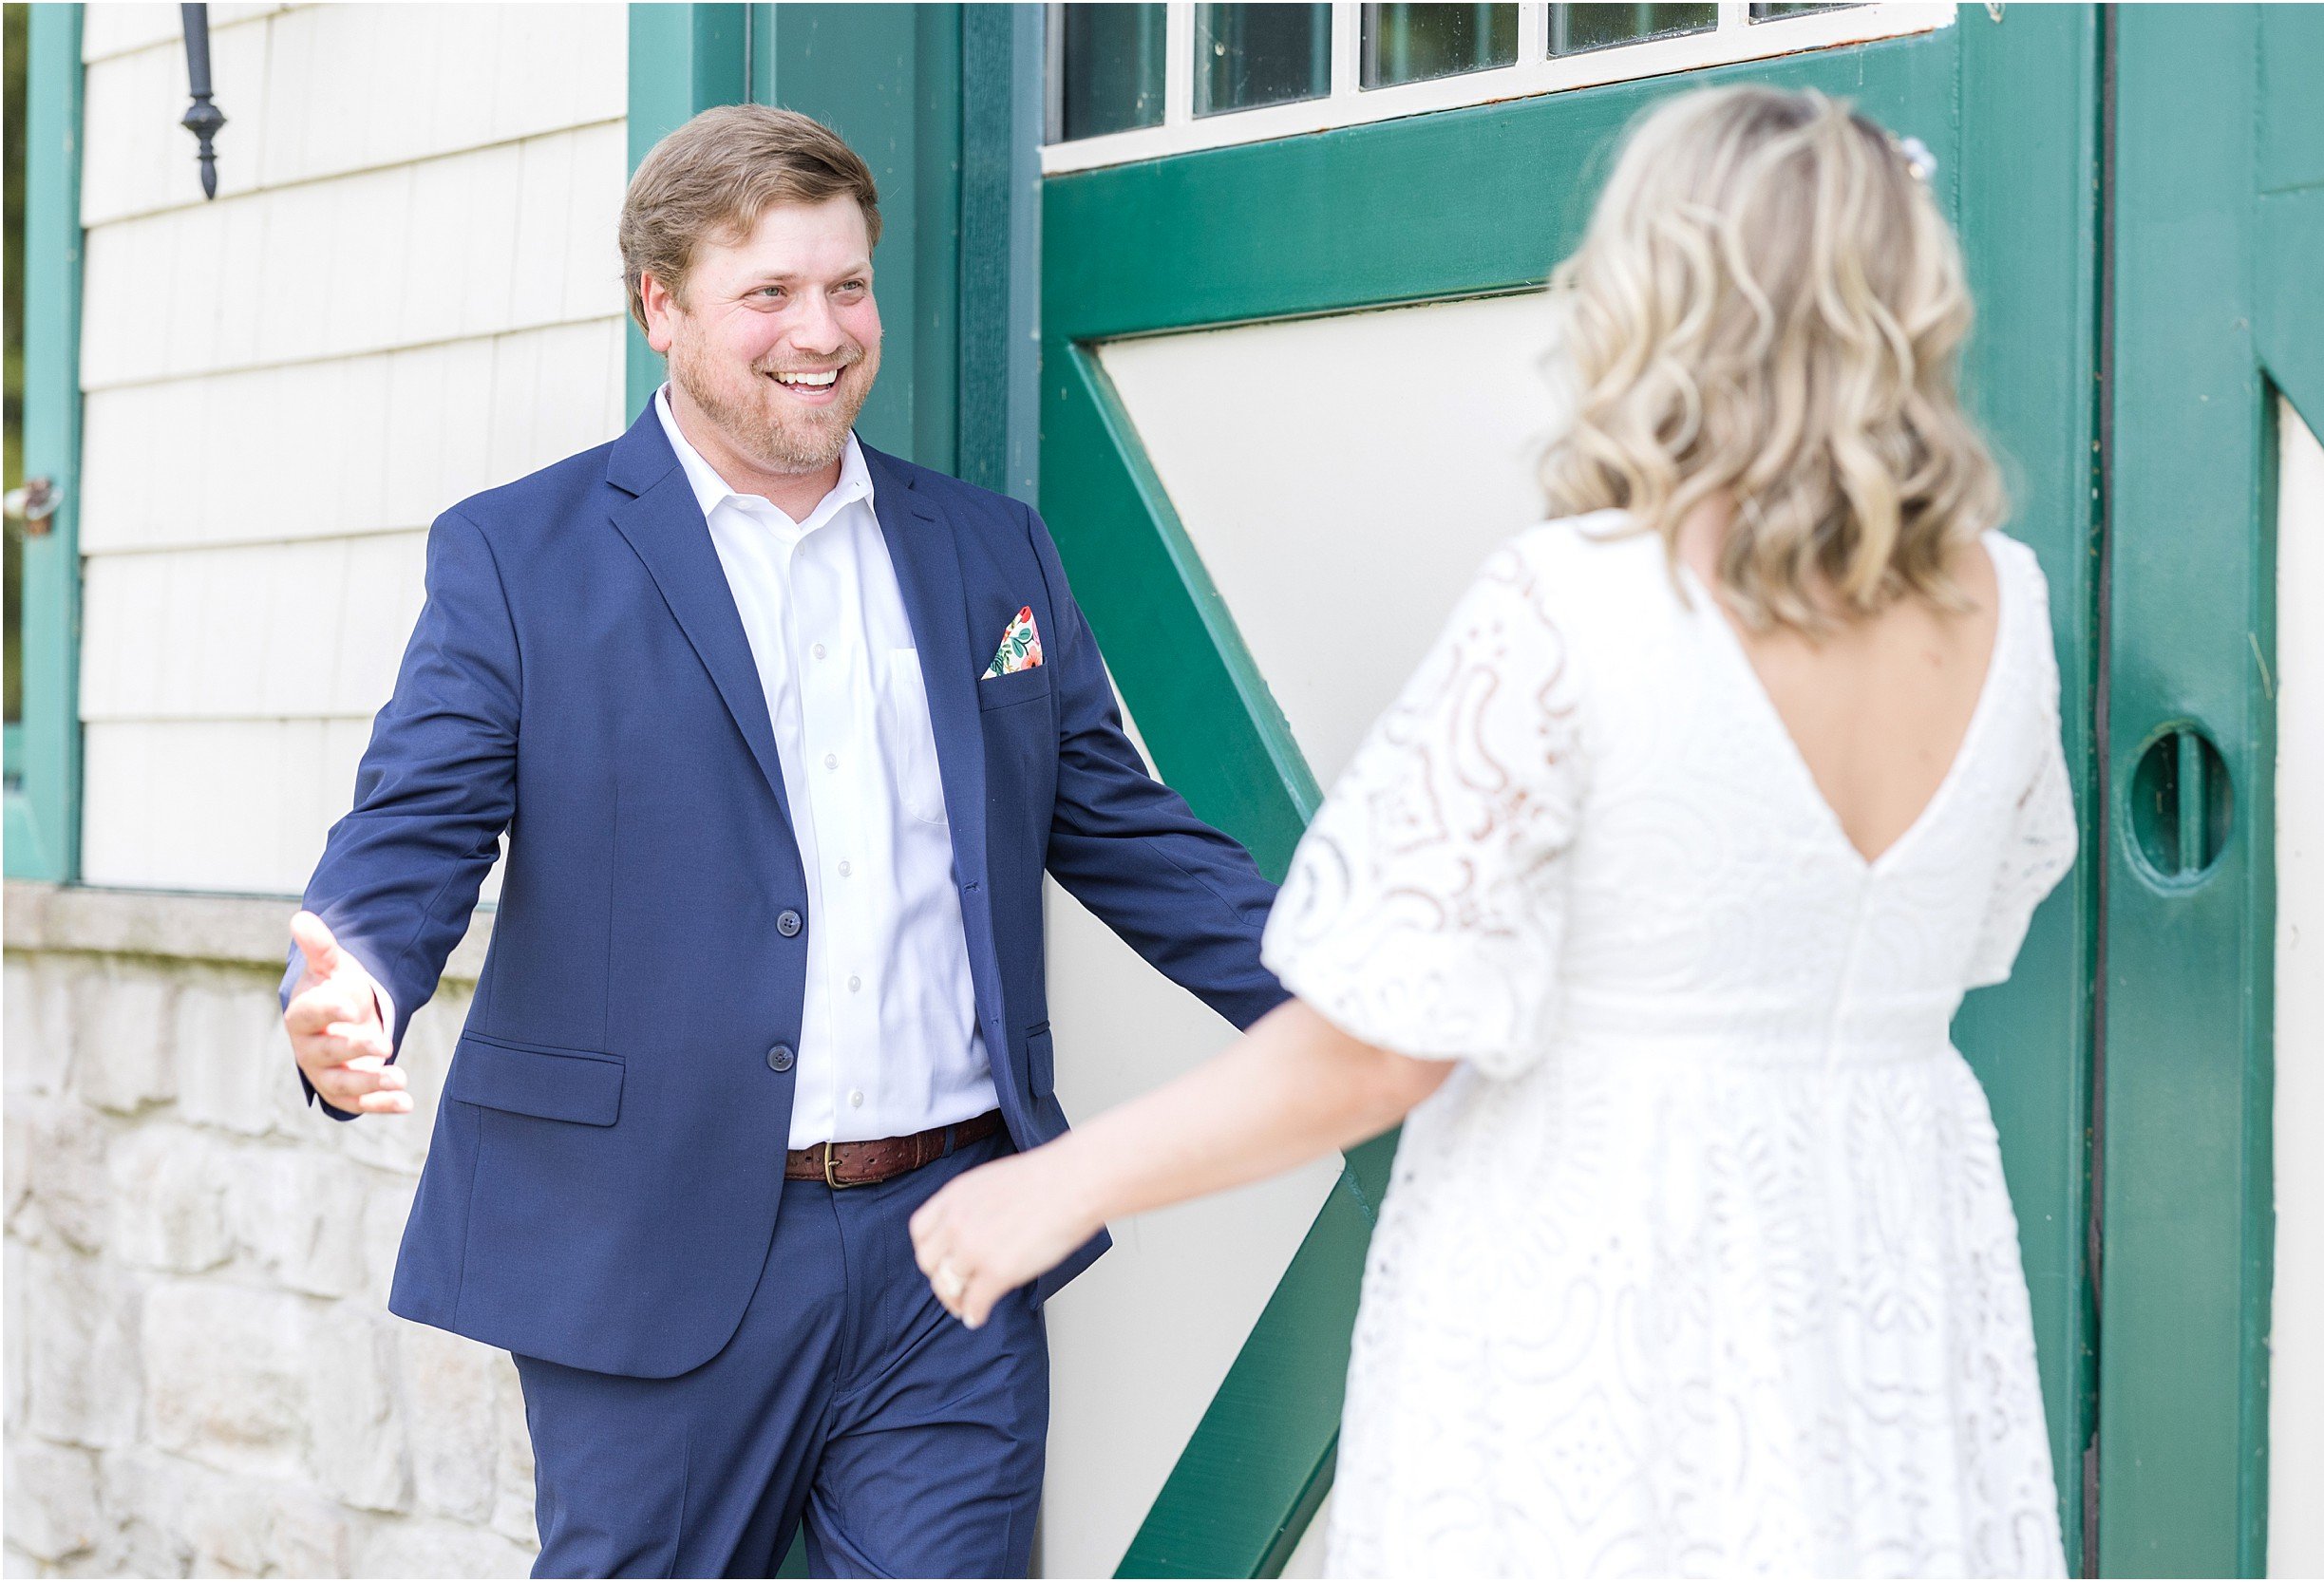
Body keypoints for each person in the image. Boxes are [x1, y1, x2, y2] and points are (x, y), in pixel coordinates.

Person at [909, 83, 2076, 1578]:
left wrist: (1061, 1178)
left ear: (1663, 292)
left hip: (1606, 1269)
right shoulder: (2008, 610)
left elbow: (1382, 1044)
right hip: (1884, 1263)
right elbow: (1975, 928)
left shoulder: (1578, 604)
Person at [277, 104, 1285, 1578]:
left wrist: (1357, 1006)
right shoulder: (519, 556)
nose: (823, 330)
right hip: (654, 1241)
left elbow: (1124, 833)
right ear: (660, 311)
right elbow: (417, 820)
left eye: (847, 286)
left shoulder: (988, 550)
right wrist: (355, 985)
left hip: (953, 1242)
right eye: (769, 294)